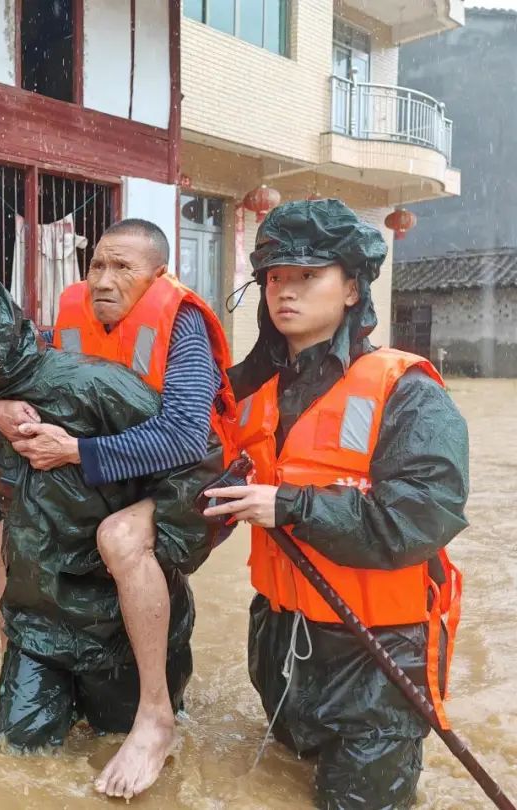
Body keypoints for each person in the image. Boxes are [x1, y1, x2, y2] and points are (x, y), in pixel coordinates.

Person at [0, 262, 219, 801]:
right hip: (38, 627)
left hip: (112, 626)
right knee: (10, 758)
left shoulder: (95, 385)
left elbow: (199, 461)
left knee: (118, 734)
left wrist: (145, 537)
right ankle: (13, 674)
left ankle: (156, 714)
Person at [203, 200, 469, 809]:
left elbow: (421, 518)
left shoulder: (408, 391)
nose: (285, 292)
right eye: (275, 277)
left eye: (307, 276)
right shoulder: (248, 391)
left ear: (352, 288)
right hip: (280, 638)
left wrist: (292, 505)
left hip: (377, 655)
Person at [0, 219, 236, 796]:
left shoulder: (183, 323)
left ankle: (154, 716)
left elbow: (187, 436)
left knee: (120, 538)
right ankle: (11, 674)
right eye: (96, 265)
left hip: (182, 479)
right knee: (0, 539)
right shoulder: (67, 316)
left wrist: (75, 449)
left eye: (123, 268)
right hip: (105, 470)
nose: (103, 280)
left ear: (158, 276)